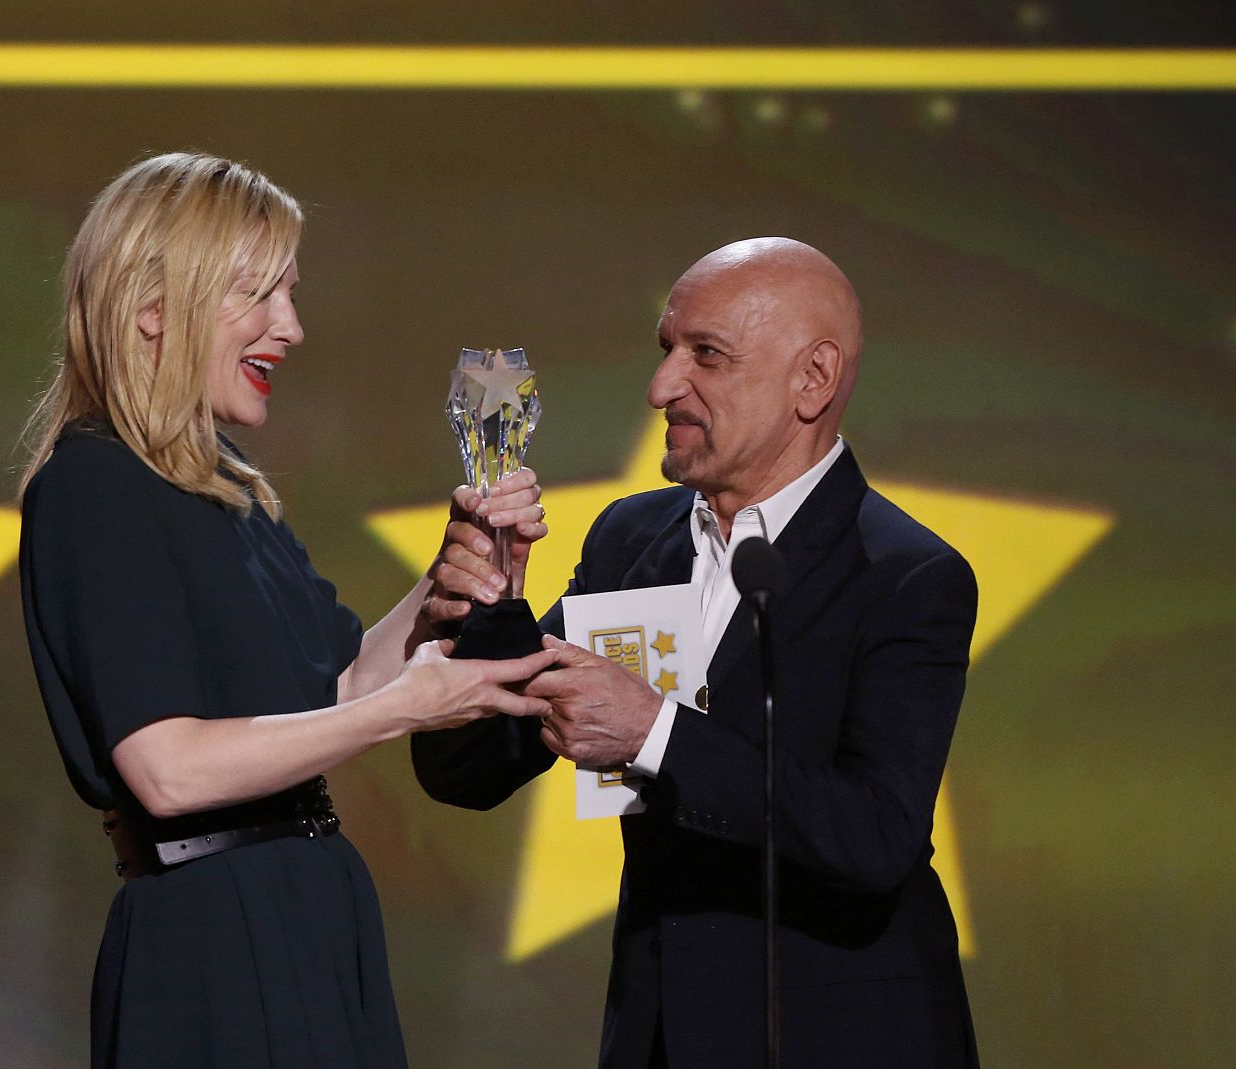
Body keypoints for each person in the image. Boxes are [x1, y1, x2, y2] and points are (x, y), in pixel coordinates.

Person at [15, 152, 556, 1069]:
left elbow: (336, 682)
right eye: (260, 296)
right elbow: (167, 771)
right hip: (214, 945)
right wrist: (405, 710)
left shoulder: (222, 490)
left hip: (308, 914)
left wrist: (444, 586)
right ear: (153, 307)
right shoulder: (93, 488)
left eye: (292, 296)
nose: (292, 328)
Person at [414, 238, 982, 1066]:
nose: (661, 387)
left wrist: (654, 732)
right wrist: (492, 608)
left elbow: (874, 834)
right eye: (666, 350)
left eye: (705, 355)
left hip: (842, 1039)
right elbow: (464, 772)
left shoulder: (906, 575)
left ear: (813, 379)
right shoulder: (631, 539)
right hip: (664, 1037)